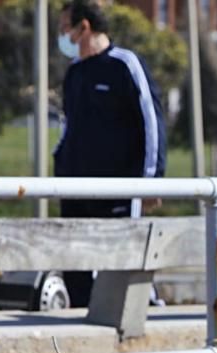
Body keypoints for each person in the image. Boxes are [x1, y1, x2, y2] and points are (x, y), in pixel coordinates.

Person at [53, 0, 166, 307]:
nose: (62, 36)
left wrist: (152, 178)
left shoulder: (125, 64)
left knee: (121, 265)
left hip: (117, 192)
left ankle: (147, 311)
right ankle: (80, 326)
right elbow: (69, 127)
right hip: (76, 190)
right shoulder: (75, 73)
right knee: (75, 266)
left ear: (83, 27)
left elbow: (152, 121)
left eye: (65, 28)